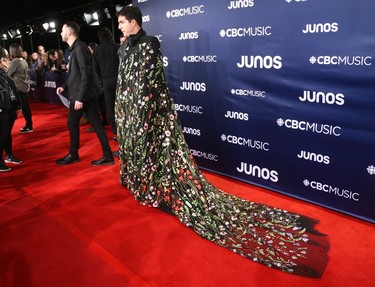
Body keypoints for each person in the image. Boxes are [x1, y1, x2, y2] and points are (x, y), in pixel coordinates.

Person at [115, 6, 329, 278]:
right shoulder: (122, 48)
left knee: (159, 150)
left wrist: (147, 111)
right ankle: (142, 179)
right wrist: (124, 113)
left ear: (134, 22)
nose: (119, 26)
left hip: (152, 113)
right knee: (141, 150)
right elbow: (124, 83)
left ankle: (159, 181)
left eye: (122, 22)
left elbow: (152, 82)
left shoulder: (150, 43)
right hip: (130, 114)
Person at [56, 21, 114, 166]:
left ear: (69, 32)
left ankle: (74, 154)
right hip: (85, 94)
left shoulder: (80, 48)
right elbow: (75, 74)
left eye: (62, 30)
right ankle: (107, 155)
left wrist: (79, 98)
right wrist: (63, 86)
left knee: (72, 122)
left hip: (83, 95)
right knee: (95, 123)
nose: (61, 33)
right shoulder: (75, 48)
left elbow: (86, 73)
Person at [92, 27, 120, 140]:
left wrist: (100, 82)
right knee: (121, 105)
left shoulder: (97, 50)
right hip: (119, 81)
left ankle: (115, 129)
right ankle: (123, 128)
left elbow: (95, 68)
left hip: (106, 82)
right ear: (111, 35)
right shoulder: (117, 47)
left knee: (110, 106)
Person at [0, 46, 23, 171]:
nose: (7, 61)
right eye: (4, 59)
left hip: (10, 107)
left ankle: (9, 155)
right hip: (2, 108)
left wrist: (18, 105)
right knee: (3, 134)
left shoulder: (5, 74)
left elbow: (12, 90)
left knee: (7, 134)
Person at [8, 43, 33, 133]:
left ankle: (29, 126)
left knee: (23, 107)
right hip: (25, 86)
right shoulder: (23, 60)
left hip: (19, 87)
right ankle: (29, 125)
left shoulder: (15, 62)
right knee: (26, 106)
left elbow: (8, 75)